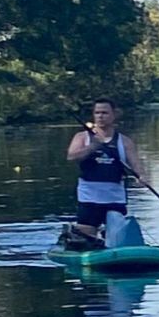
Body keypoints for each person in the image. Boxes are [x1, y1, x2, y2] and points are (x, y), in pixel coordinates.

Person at [62, 102, 135, 249]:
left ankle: (109, 242)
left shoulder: (125, 141)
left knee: (117, 237)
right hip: (89, 196)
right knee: (86, 237)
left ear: (114, 115)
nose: (101, 116)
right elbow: (71, 156)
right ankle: (79, 236)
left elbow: (136, 165)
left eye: (105, 113)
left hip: (115, 197)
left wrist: (143, 177)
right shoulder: (82, 137)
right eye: (97, 113)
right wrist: (93, 146)